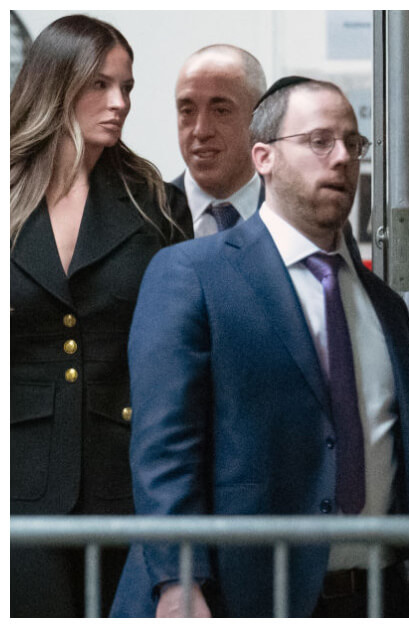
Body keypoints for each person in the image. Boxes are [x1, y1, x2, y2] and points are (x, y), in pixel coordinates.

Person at [110, 77, 409, 618]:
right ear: (264, 158)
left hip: (375, 597)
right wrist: (178, 581)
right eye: (320, 141)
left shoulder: (384, 306)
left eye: (354, 143)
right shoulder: (193, 275)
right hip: (237, 598)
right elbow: (165, 448)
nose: (344, 157)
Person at [9, 14, 192, 617]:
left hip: (126, 478)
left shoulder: (155, 199)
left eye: (128, 87)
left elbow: (181, 352)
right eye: (101, 85)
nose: (119, 103)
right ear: (56, 85)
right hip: (19, 481)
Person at [171, 44, 267, 235]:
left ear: (260, 118)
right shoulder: (144, 220)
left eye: (221, 111)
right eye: (187, 111)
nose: (201, 131)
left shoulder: (301, 220)